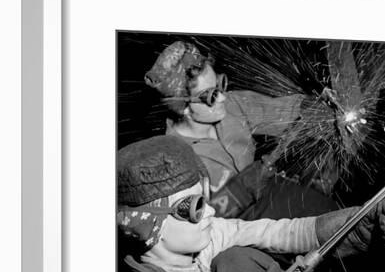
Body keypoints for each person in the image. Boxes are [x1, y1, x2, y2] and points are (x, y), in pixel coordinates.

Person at [117, 135, 385, 272]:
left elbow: (272, 232)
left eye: (206, 199)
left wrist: (353, 226)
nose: (212, 212)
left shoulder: (197, 249)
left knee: (235, 261)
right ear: (149, 227)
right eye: (195, 207)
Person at [144, 40, 338, 221]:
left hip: (266, 204)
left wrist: (314, 105)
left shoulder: (232, 106)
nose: (222, 98)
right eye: (211, 96)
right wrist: (239, 190)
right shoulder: (174, 161)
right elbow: (197, 228)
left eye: (220, 85)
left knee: (326, 212)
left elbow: (278, 111)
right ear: (184, 108)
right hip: (228, 238)